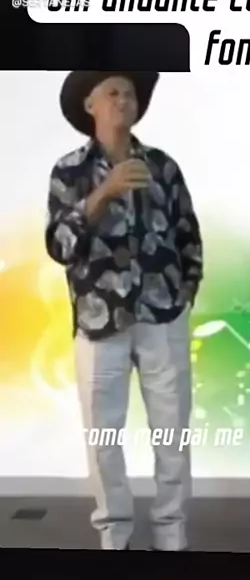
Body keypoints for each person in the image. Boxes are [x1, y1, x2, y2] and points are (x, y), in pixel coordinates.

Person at [45, 71, 203, 551]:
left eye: (130, 93)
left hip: (162, 318)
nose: (123, 100)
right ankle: (115, 537)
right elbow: (59, 246)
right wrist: (103, 193)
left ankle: (171, 535)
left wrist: (185, 291)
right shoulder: (68, 171)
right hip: (99, 323)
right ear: (89, 105)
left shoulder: (162, 166)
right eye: (112, 92)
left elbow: (188, 234)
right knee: (103, 438)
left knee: (172, 433)